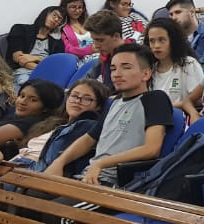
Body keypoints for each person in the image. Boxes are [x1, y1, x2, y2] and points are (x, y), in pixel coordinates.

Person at [45, 43, 173, 186]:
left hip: (113, 184)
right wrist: (59, 162)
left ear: (146, 74)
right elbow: (88, 139)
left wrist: (100, 164)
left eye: (126, 67)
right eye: (113, 69)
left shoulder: (155, 99)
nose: (117, 74)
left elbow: (152, 149)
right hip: (87, 177)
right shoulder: (114, 103)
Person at [11, 78, 108, 172]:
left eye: (87, 99)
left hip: (34, 171)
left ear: (98, 106)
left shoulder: (89, 128)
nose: (78, 101)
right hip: (16, 163)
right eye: (74, 96)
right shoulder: (53, 123)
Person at [0, 79, 62, 160]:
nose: (22, 102)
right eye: (22, 96)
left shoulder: (31, 124)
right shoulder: (14, 113)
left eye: (33, 100)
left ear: (46, 107)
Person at [144, 18, 203, 123]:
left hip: (180, 121)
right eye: (152, 41)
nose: (156, 46)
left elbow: (198, 101)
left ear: (173, 41)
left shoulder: (188, 64)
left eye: (162, 40)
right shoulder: (149, 69)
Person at [7, 6, 66, 86]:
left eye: (59, 19)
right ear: (45, 13)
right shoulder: (21, 29)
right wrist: (44, 69)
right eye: (54, 15)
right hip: (22, 72)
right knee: (28, 84)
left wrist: (36, 58)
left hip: (46, 76)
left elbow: (55, 65)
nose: (56, 19)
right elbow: (18, 58)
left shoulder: (57, 42)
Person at [165, 0, 204, 66]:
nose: (174, 18)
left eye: (178, 12)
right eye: (171, 14)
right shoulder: (172, 38)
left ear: (192, 12)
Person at [84, 10, 124, 93]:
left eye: (100, 40)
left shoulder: (133, 58)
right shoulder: (105, 54)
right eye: (94, 40)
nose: (96, 46)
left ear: (116, 36)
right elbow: (88, 79)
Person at [59, 0, 96, 64]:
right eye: (73, 7)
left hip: (99, 59)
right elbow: (68, 50)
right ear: (65, 7)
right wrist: (89, 50)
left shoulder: (90, 22)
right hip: (80, 62)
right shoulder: (63, 28)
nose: (77, 10)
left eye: (80, 7)